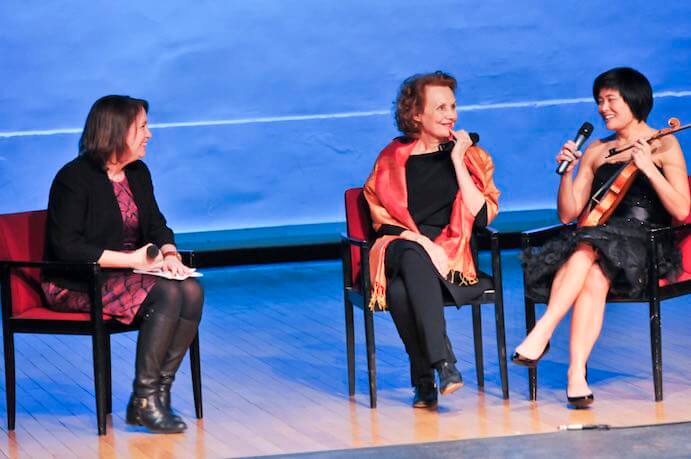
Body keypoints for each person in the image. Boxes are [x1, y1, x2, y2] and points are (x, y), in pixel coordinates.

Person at [513, 67, 690, 408]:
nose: (602, 108)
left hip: (647, 245)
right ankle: (576, 375)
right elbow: (568, 213)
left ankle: (543, 331)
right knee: (592, 269)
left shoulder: (665, 143)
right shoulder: (596, 150)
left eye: (610, 100)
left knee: (587, 249)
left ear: (634, 99)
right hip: (599, 243)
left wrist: (649, 167)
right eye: (599, 101)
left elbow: (682, 210)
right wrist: (565, 173)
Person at [42, 95, 204, 433]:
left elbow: (156, 224)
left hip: (127, 275)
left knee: (190, 289)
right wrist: (131, 259)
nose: (149, 134)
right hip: (77, 280)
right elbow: (67, 246)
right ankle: (145, 398)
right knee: (168, 295)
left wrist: (170, 255)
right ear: (116, 131)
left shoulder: (138, 173)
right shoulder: (74, 178)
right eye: (142, 127)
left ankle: (156, 394)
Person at [363, 71, 500, 408]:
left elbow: (482, 217)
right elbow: (383, 221)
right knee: (411, 253)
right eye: (440, 108)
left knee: (399, 291)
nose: (450, 114)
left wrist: (457, 161)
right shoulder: (392, 158)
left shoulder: (472, 158)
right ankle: (444, 362)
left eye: (453, 106)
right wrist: (425, 245)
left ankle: (425, 380)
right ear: (415, 114)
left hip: (451, 261)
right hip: (398, 246)